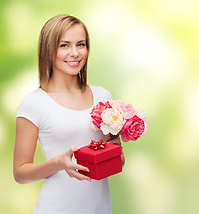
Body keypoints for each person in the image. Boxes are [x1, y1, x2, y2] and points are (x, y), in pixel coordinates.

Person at [13, 14, 125, 214]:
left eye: (80, 44)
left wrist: (116, 153)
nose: (75, 53)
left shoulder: (103, 97)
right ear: (48, 50)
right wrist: (57, 164)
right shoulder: (33, 103)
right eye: (64, 45)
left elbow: (118, 161)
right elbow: (20, 173)